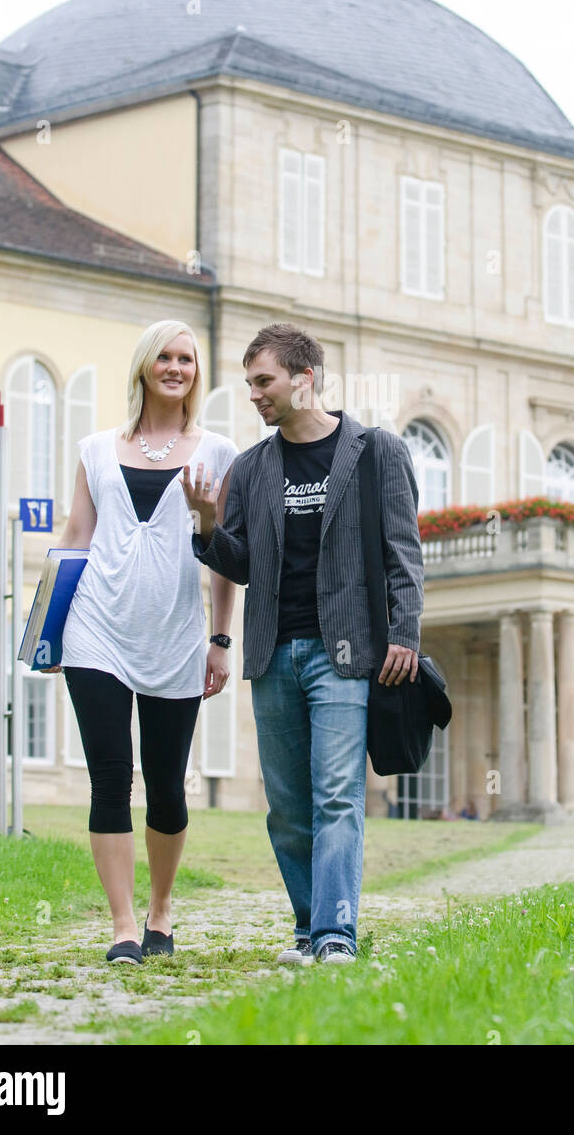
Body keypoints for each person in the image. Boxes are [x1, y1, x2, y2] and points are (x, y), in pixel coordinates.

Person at [182, 322, 424, 964]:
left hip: (343, 654)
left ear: (304, 378)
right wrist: (207, 527)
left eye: (264, 381)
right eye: (249, 383)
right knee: (287, 807)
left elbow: (404, 554)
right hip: (272, 653)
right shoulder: (253, 467)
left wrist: (404, 632)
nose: (254, 395)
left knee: (337, 793)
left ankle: (337, 933)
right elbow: (238, 565)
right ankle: (307, 926)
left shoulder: (378, 452)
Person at [49, 320, 238, 964]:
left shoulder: (218, 453)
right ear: (143, 366)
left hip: (177, 636)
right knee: (110, 777)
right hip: (96, 628)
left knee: (167, 784)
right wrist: (49, 629)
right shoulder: (97, 449)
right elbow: (75, 539)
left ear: (195, 372)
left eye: (187, 357)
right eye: (165, 355)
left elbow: (225, 557)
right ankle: (124, 926)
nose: (176, 366)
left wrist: (219, 639)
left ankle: (161, 909)